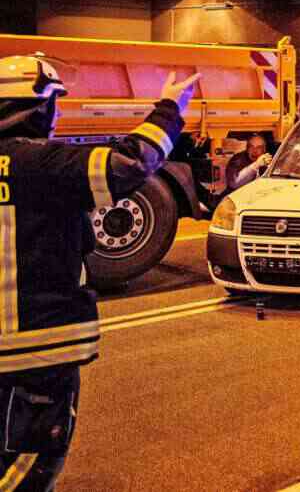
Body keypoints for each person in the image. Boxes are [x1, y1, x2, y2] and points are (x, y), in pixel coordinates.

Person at [0, 58, 198, 490]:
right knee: (28, 466)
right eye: (53, 104)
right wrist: (169, 107)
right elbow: (130, 163)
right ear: (35, 107)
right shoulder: (42, 164)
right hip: (37, 348)